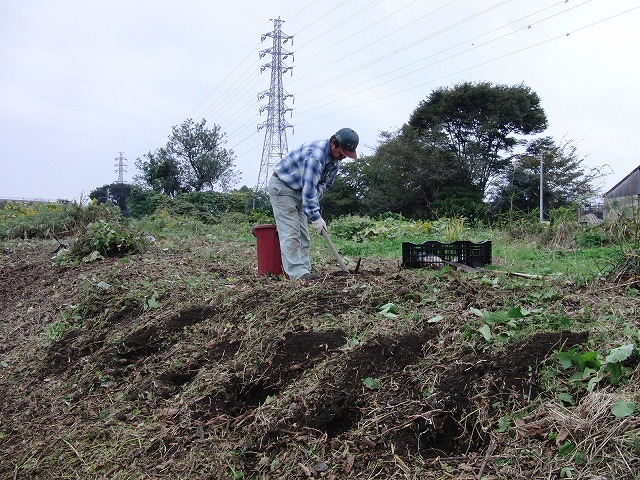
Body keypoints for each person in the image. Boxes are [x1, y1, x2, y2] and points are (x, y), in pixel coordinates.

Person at [268, 127, 359, 280]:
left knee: (304, 234)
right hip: (283, 187)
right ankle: (297, 274)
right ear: (333, 143)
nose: (342, 158)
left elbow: (323, 185)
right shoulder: (315, 157)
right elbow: (309, 189)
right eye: (341, 153)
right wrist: (316, 217)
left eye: (346, 155)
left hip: (301, 191)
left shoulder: (335, 161)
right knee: (291, 232)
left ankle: (305, 270)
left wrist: (315, 203)